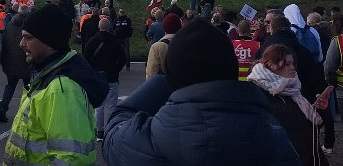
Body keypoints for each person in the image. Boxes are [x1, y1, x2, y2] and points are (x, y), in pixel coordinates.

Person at [103, 19, 300, 165]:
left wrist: (161, 82)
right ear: (230, 68)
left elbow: (114, 130)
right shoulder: (274, 139)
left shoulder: (142, 140)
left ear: (174, 76)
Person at [4, 4, 108, 165]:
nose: (21, 44)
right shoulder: (48, 76)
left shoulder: (62, 89)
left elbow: (70, 159)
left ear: (49, 41)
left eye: (28, 37)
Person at [248, 44, 330, 165]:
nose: (293, 68)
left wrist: (320, 109)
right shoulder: (260, 93)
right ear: (272, 64)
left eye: (293, 63)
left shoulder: (293, 88)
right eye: (287, 64)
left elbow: (309, 127)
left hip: (309, 157)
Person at [83, 18, 126, 141]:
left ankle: (99, 131)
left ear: (99, 26)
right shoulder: (115, 42)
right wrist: (116, 69)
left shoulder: (92, 42)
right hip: (112, 76)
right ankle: (109, 130)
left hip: (97, 77)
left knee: (98, 106)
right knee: (111, 106)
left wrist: (93, 71)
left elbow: (86, 59)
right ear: (109, 27)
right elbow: (123, 58)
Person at [0, 5, 30, 123]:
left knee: (10, 86)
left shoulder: (9, 25)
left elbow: (4, 42)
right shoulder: (29, 26)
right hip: (26, 59)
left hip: (10, 60)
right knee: (29, 88)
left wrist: (4, 60)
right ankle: (28, 112)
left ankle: (3, 107)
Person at [145, 13, 182, 79]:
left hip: (166, 86)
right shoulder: (187, 44)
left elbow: (151, 75)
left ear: (164, 28)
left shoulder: (157, 47)